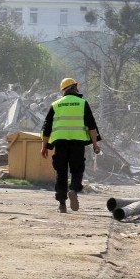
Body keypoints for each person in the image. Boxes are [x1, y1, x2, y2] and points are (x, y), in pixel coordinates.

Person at [40, 77, 102, 213]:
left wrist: (44, 146)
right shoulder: (82, 103)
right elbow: (92, 126)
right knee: (77, 170)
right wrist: (95, 144)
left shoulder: (55, 104)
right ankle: (73, 189)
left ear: (63, 90)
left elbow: (46, 127)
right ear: (73, 88)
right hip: (77, 143)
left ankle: (62, 204)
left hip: (60, 143)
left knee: (61, 172)